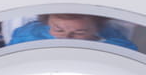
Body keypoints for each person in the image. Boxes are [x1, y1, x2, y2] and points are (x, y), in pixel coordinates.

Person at [8, 14, 137, 50]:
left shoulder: (117, 46)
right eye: (58, 30)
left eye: (79, 32)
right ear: (48, 24)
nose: (66, 38)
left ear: (97, 29)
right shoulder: (26, 36)